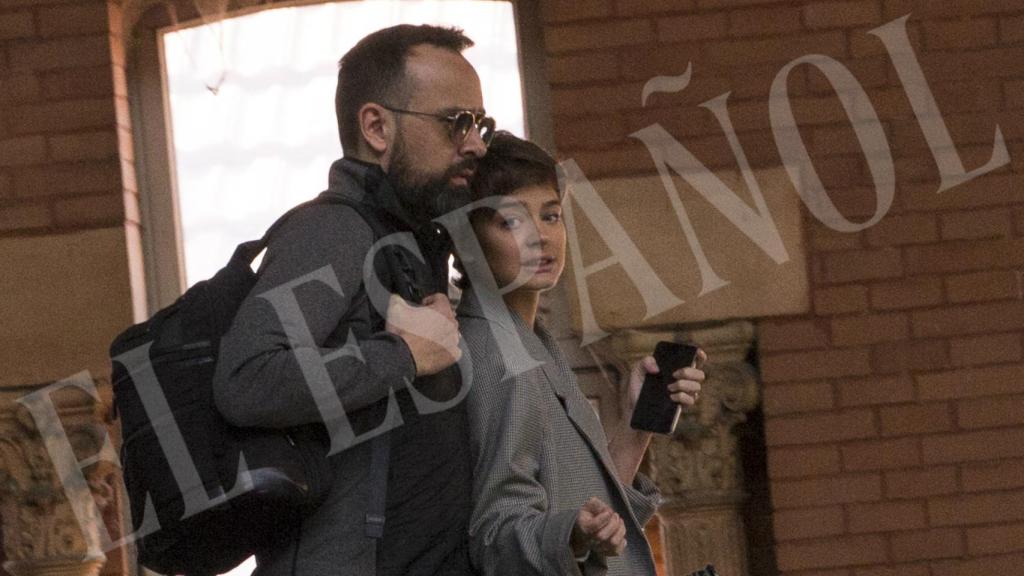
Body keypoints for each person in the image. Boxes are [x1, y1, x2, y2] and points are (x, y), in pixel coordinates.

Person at [213, 24, 493, 576]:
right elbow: (246, 379)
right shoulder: (336, 231)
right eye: (457, 122)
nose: (477, 144)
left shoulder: (411, 241)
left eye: (481, 124)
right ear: (376, 126)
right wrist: (405, 356)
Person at [455, 132, 706, 575]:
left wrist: (635, 425)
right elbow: (494, 536)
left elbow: (591, 511)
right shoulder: (497, 355)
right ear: (467, 241)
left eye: (551, 216)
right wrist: (569, 534)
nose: (541, 237)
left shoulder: (534, 342)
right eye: (511, 222)